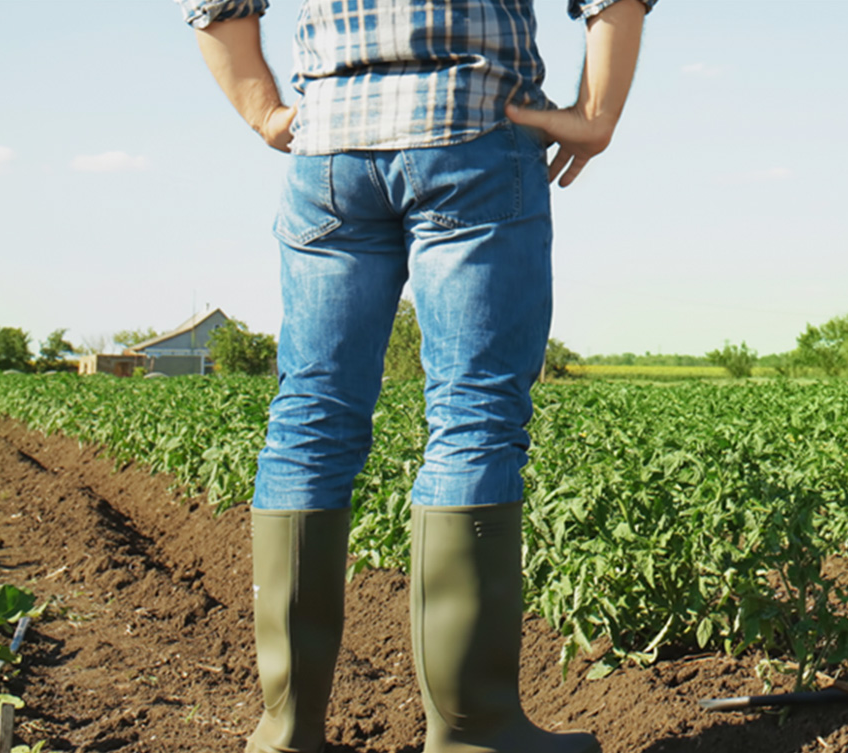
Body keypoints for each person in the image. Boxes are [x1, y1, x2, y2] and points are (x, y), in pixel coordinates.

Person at [177, 0, 653, 750]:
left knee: (310, 416)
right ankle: (475, 730)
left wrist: (267, 112)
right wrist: (597, 111)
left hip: (330, 144)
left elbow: (214, 6)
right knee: (474, 415)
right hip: (473, 132)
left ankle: (285, 729)